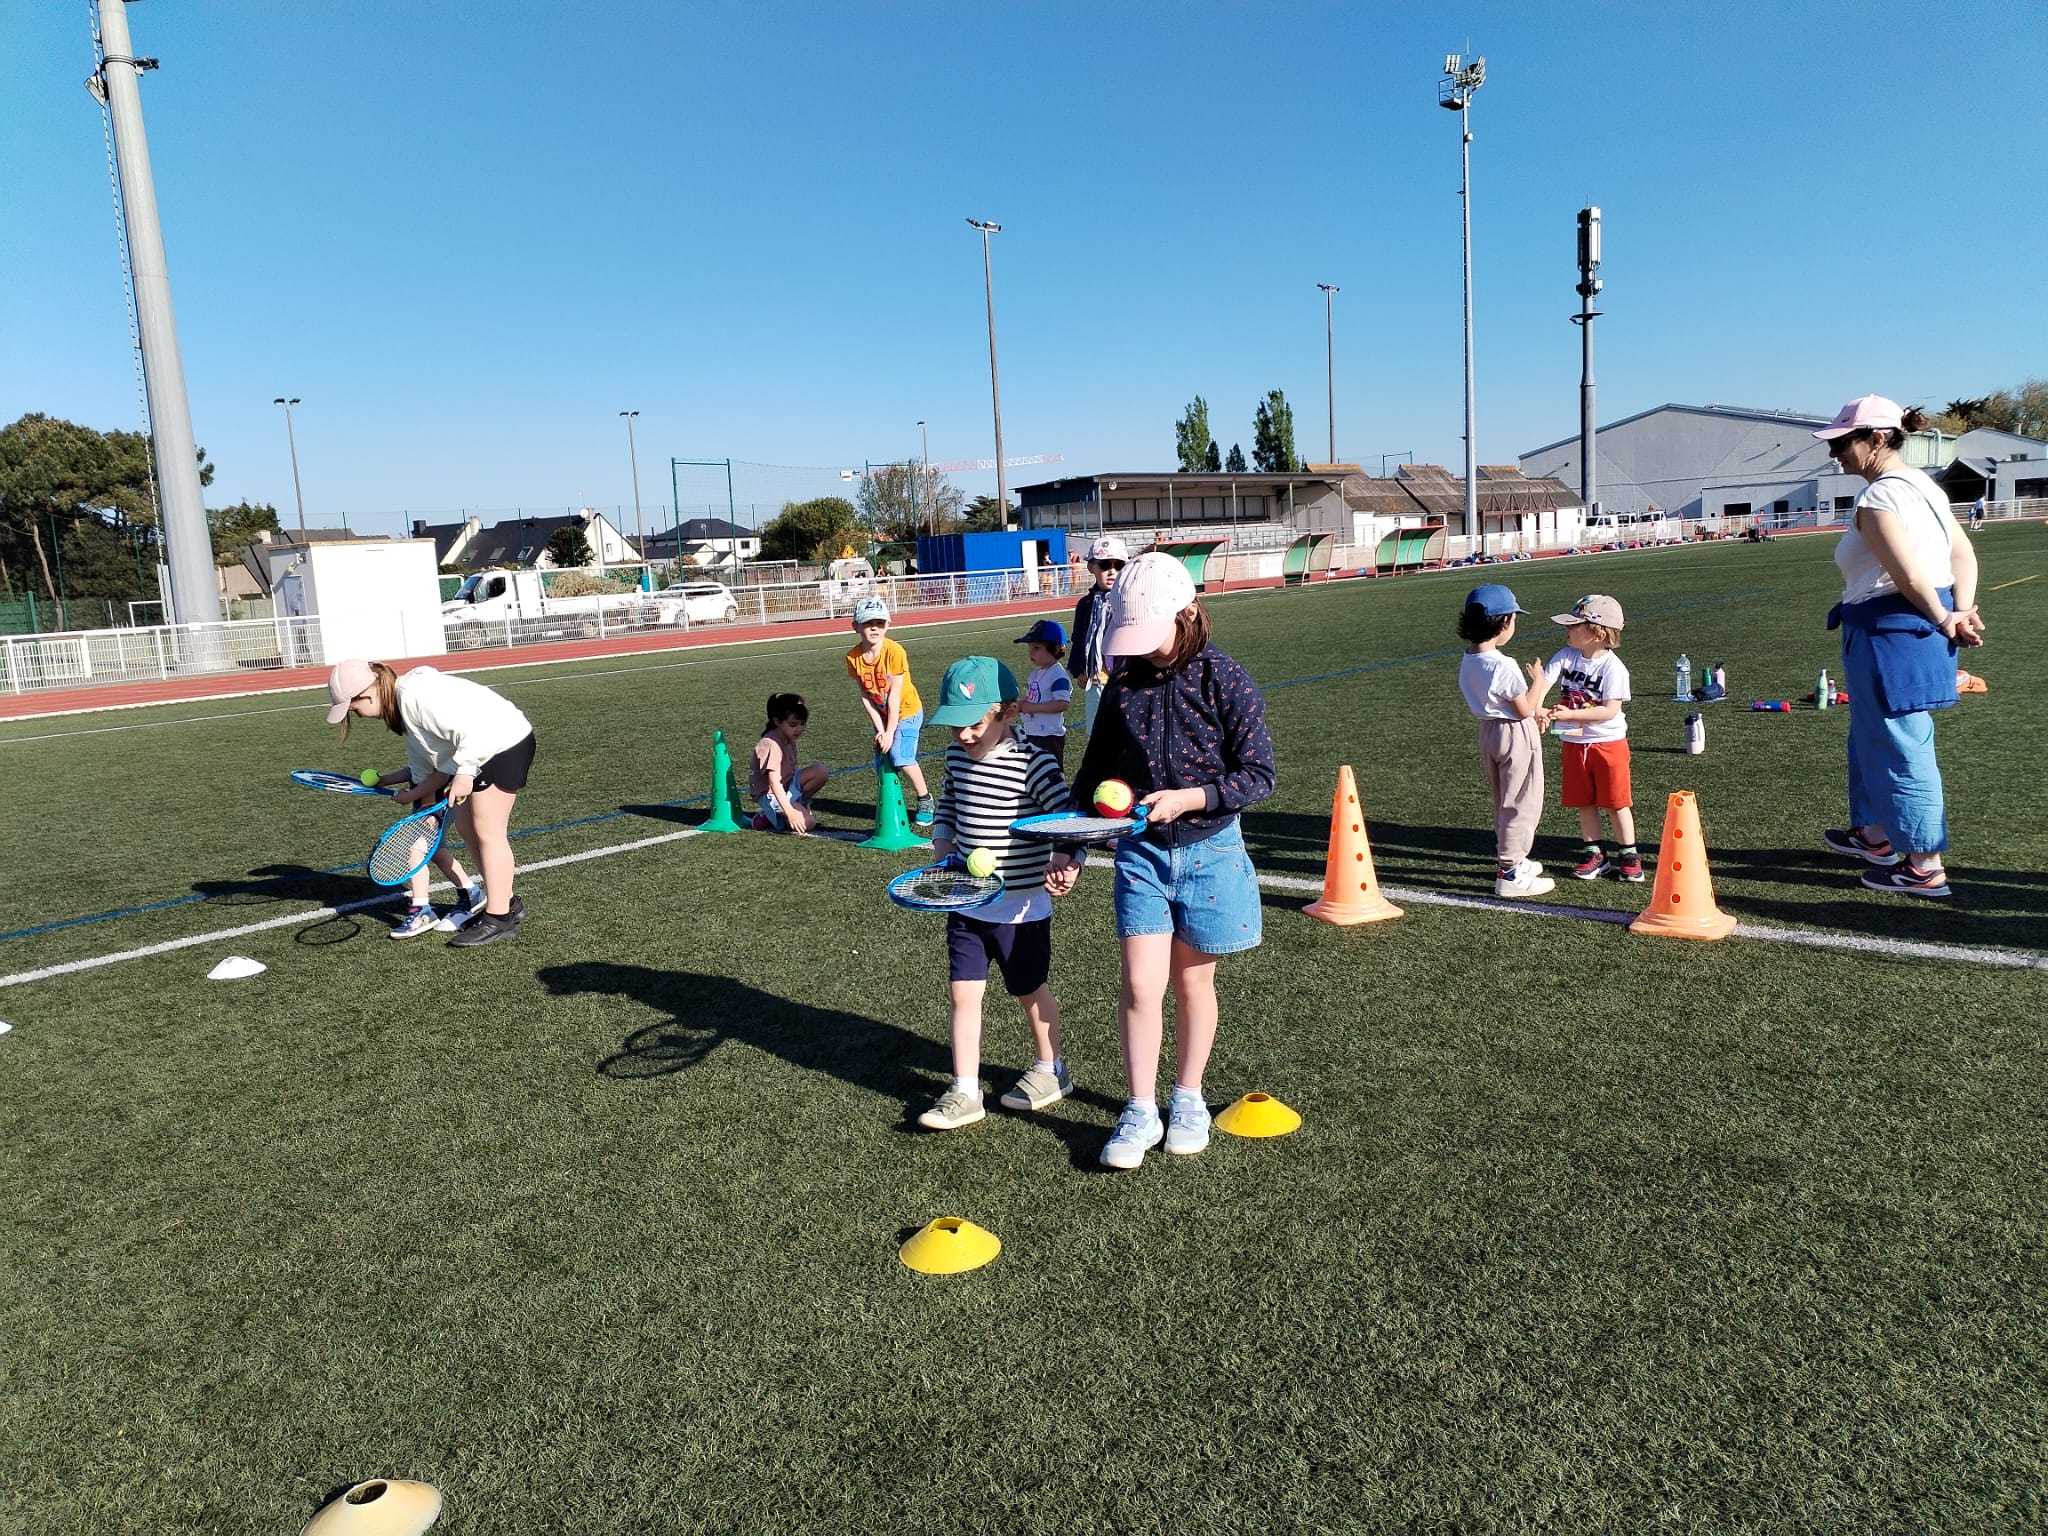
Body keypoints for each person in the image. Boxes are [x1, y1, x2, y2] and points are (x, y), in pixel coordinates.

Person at [1070, 552, 1275, 1171]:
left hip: (1211, 851)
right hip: (1141, 854)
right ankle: (1140, 1108)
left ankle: (1187, 1098)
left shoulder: (1225, 679)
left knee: (1193, 983)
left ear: (1187, 613)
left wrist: (1192, 798)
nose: (1140, 648)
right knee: (1140, 985)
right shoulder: (1124, 684)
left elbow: (1259, 774)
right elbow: (1094, 771)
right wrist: (1070, 843)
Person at [1813, 395, 1985, 898]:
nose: (1834, 453)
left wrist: (1946, 618)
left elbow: (1908, 575)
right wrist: (1959, 610)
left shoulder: (1880, 497)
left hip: (1891, 631)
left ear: (1876, 439)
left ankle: (1924, 865)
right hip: (1908, 625)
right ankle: (1875, 832)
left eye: (1842, 443)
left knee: (1901, 743)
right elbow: (1962, 554)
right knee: (1874, 733)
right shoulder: (1923, 487)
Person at [917, 656, 1081, 1132]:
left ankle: (1051, 1070)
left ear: (1007, 712)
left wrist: (1068, 859)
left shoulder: (1033, 762)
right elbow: (948, 805)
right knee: (962, 994)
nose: (963, 736)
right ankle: (966, 1090)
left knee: (1029, 989)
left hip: (1021, 907)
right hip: (967, 900)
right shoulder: (955, 757)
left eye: (973, 724)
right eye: (955, 727)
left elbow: (1068, 818)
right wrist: (943, 848)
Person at [328, 658, 536, 948]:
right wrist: (414, 797)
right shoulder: (404, 710)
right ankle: (506, 902)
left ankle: (499, 918)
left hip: (503, 743)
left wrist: (465, 772)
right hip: (480, 751)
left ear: (368, 695)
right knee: (467, 829)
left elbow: (476, 729)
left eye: (354, 709)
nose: (358, 716)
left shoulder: (416, 697)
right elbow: (426, 768)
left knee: (488, 833)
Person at [1456, 584, 1556, 898]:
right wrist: (1539, 681)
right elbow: (1524, 708)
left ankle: (1514, 859)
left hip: (1489, 732)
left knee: (1504, 800)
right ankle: (1510, 871)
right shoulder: (1503, 664)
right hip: (1514, 733)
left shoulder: (1469, 658)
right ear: (1503, 622)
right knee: (1523, 801)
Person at [1535, 594, 1643, 882]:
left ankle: (1628, 854)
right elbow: (1543, 686)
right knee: (1584, 802)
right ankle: (1594, 853)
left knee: (1616, 802)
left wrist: (1568, 715)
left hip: (1608, 743)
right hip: (1573, 742)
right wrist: (1539, 711)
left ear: (1597, 633)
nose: (1567, 630)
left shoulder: (1613, 668)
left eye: (1574, 625)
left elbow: (1609, 711)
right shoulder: (1564, 656)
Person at [365, 762, 486, 938]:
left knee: (415, 852)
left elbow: (441, 774)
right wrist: (385, 780)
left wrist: (415, 799)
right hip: (428, 804)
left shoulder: (431, 745)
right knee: (436, 851)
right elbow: (416, 768)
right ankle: (470, 891)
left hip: (435, 804)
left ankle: (421, 910)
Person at [846, 596, 934, 829]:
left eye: (880, 623)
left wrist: (890, 731)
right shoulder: (853, 657)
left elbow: (894, 696)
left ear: (888, 625)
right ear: (855, 626)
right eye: (868, 623)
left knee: (900, 757)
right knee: (882, 762)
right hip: (883, 715)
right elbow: (866, 697)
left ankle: (925, 800)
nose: (874, 628)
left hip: (906, 712)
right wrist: (881, 729)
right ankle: (894, 803)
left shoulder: (895, 652)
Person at [1068, 535, 1129, 734]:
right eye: (1104, 565)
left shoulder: (1129, 600)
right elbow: (1079, 638)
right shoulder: (1085, 604)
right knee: (1097, 736)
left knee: (1127, 733)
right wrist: (1079, 668)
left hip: (1125, 680)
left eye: (1118, 565)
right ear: (1091, 567)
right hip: (1095, 681)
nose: (1112, 571)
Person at [749, 692, 830, 835]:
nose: (799, 729)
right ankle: (772, 814)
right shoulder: (770, 744)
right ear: (777, 721)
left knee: (821, 771)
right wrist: (790, 812)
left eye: (802, 724)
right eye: (793, 725)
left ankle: (788, 809)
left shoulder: (788, 737)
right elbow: (774, 783)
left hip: (787, 785)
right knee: (808, 823)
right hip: (770, 794)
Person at [1013, 618, 1073, 767]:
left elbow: (1062, 704)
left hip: (1049, 736)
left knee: (1050, 772)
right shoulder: (1036, 674)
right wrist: (1018, 706)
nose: (1031, 652)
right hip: (1032, 733)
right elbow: (1031, 698)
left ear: (1055, 649)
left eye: (1037, 647)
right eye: (1030, 647)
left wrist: (1032, 708)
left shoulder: (1057, 675)